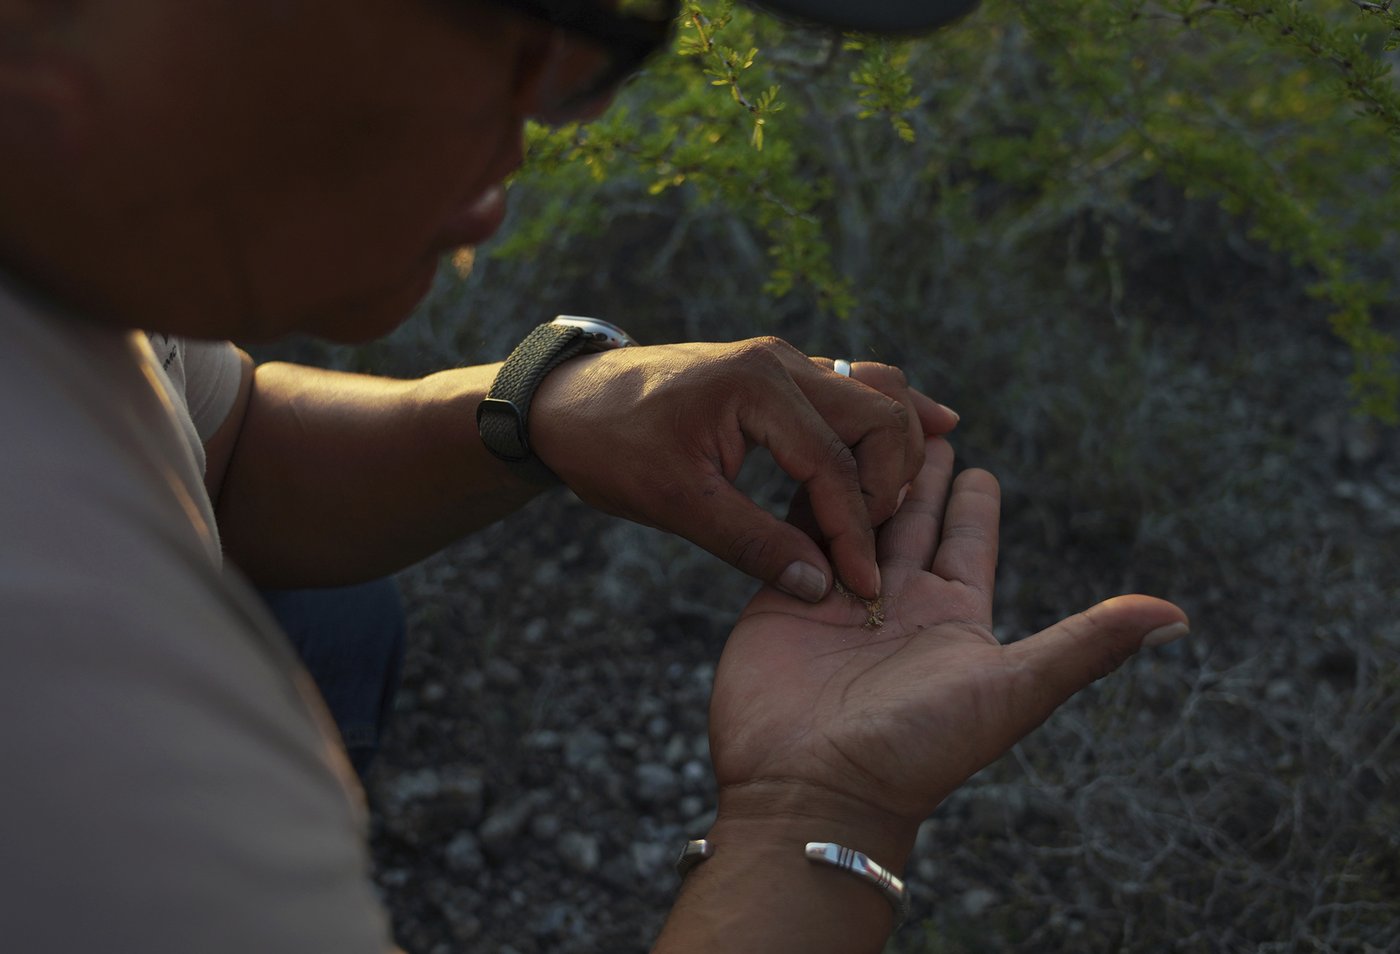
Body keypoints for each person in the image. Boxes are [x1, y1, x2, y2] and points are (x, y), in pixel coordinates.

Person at [0, 2, 1190, 953]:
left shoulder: (53, 236)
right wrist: (816, 818)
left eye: (622, 16)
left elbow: (222, 443)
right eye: (512, 15)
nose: (575, 104)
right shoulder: (75, 697)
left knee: (341, 619)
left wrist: (540, 406)